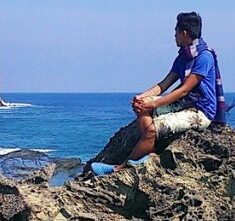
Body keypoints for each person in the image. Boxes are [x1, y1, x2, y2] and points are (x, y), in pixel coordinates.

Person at [91, 11, 221, 175]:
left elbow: (184, 90)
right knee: (143, 109)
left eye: (176, 32)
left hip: (200, 111)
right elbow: (164, 84)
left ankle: (119, 169)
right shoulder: (183, 57)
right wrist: (142, 98)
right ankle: (149, 154)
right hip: (184, 103)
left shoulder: (204, 57)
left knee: (152, 129)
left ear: (184, 33)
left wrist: (153, 104)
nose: (174, 36)